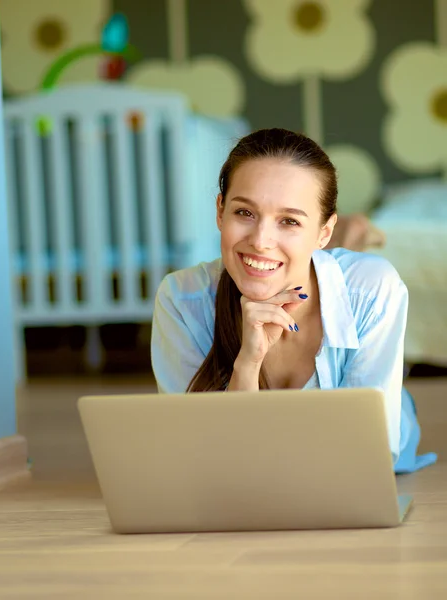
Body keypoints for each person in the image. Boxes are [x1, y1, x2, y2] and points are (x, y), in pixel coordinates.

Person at [151, 128, 437, 474]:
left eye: (288, 220)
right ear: (220, 211)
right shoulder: (182, 300)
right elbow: (198, 461)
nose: (260, 241)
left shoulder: (374, 287)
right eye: (244, 213)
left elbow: (373, 453)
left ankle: (346, 240)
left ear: (323, 231)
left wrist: (258, 459)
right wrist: (247, 363)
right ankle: (330, 238)